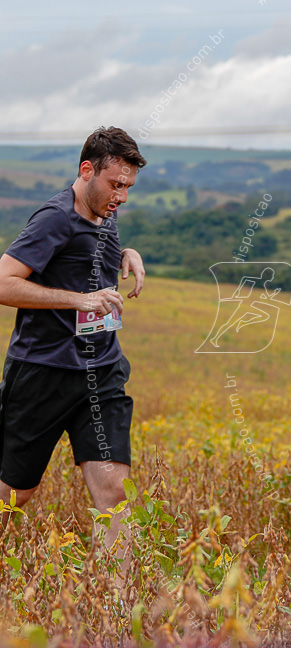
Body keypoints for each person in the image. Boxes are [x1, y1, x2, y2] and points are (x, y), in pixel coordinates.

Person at [0, 126, 147, 558]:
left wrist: (125, 254)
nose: (121, 196)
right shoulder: (54, 218)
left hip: (101, 371)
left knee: (115, 493)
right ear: (87, 170)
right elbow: (4, 283)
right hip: (44, 372)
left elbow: (85, 255)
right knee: (15, 494)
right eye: (115, 184)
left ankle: (119, 610)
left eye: (128, 187)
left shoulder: (106, 213)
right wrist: (79, 299)